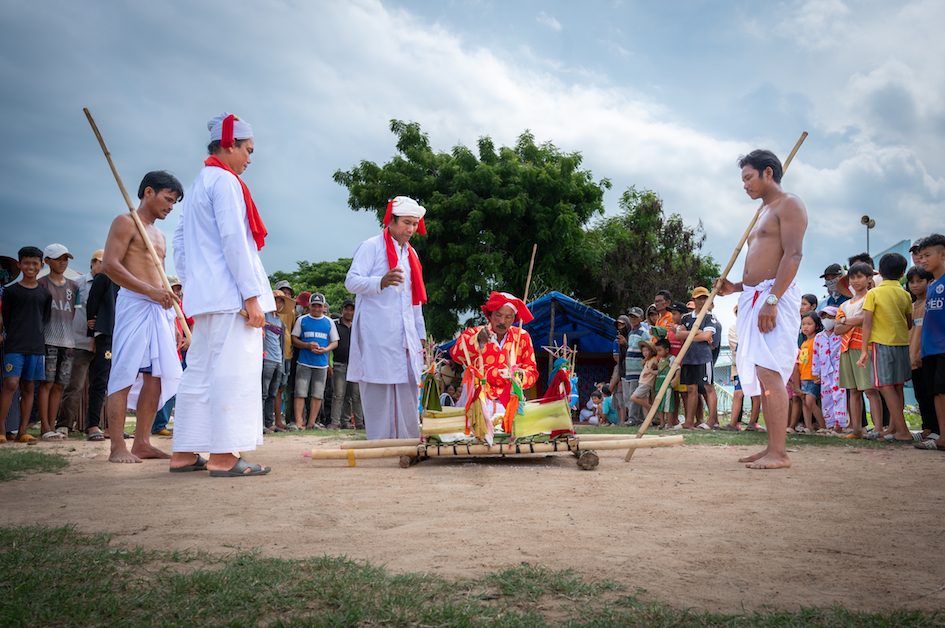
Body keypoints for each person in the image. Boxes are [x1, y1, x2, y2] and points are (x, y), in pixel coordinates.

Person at [171, 112, 276, 476]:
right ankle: (224, 456)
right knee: (234, 372)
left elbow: (180, 245)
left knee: (198, 373)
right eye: (247, 150)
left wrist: (195, 286)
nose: (250, 158)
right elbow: (236, 243)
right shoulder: (226, 182)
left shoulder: (200, 182)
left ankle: (184, 452)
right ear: (229, 145)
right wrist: (252, 297)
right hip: (230, 296)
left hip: (205, 296)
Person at [716, 149, 806, 469]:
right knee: (759, 372)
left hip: (774, 299)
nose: (745, 185)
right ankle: (771, 446)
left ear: (768, 173)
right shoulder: (762, 213)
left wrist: (773, 300)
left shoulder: (789, 203)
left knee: (771, 372)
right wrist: (735, 288)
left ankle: (779, 452)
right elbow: (761, 266)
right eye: (742, 180)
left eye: (748, 177)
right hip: (754, 297)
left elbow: (793, 256)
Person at [102, 171, 185, 463]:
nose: (171, 207)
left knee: (156, 378)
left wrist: (173, 319)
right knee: (124, 373)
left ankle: (142, 443)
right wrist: (149, 291)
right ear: (148, 192)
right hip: (135, 303)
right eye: (168, 199)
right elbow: (109, 266)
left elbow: (162, 280)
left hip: (159, 310)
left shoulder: (159, 234)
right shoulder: (125, 222)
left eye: (174, 202)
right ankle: (117, 446)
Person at [345, 196, 428, 440]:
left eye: (414, 224)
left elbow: (416, 301)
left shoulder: (411, 254)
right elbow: (351, 281)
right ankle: (380, 446)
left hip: (406, 337)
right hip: (377, 335)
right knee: (378, 390)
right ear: (391, 221)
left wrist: (420, 335)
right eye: (405, 222)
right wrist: (380, 282)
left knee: (408, 389)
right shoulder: (371, 246)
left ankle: (408, 443)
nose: (411, 229)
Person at [450, 292, 539, 428]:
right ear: (490, 314)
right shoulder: (474, 333)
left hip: (510, 401)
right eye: (498, 315)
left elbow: (532, 374)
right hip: (478, 401)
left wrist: (520, 375)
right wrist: (478, 339)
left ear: (514, 318)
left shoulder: (522, 337)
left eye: (508, 317)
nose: (502, 321)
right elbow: (455, 353)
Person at [857, 253, 914, 442]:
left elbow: (867, 323)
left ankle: (903, 431)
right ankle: (894, 428)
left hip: (882, 345)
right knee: (897, 387)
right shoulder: (906, 294)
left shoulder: (873, 293)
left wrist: (864, 350)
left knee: (885, 386)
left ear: (879, 272)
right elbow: (908, 324)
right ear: (903, 273)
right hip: (902, 344)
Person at [0, 246, 51, 443]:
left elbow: (44, 319)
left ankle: (23, 431)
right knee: (11, 384)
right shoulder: (11, 292)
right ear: (20, 264)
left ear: (41, 266)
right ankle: (2, 429)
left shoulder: (45, 294)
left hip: (36, 347)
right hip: (14, 346)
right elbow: (8, 317)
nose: (30, 266)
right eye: (26, 263)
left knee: (29, 386)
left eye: (34, 263)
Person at [55, 249, 102, 435]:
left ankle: (93, 426)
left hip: (102, 344)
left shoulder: (112, 285)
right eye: (101, 261)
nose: (105, 265)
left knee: (100, 387)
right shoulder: (77, 284)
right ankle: (64, 424)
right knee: (74, 385)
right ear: (92, 262)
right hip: (80, 342)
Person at [36, 244, 79, 440]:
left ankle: (52, 426)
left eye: (65, 259)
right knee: (46, 383)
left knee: (60, 385)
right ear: (47, 261)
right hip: (47, 339)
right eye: (58, 258)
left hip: (68, 341)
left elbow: (73, 313)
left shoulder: (73, 286)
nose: (63, 262)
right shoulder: (41, 284)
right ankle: (44, 427)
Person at [151, 275, 193, 436]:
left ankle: (168, 423)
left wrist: (189, 339)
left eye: (178, 288)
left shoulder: (182, 304)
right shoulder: (160, 303)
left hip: (179, 354)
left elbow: (191, 322)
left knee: (177, 389)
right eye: (173, 287)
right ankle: (158, 425)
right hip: (163, 352)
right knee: (161, 389)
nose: (176, 291)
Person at [915, 234, 945, 451]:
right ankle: (941, 437)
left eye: (927, 255)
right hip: (929, 350)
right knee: (935, 392)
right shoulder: (932, 286)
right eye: (921, 256)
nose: (922, 260)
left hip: (943, 348)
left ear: (942, 254)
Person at [291, 293, 338, 430]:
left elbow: (335, 342)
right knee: (300, 392)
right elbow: (294, 339)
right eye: (314, 306)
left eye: (319, 306)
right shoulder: (302, 320)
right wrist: (306, 345)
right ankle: (299, 422)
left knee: (317, 394)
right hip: (304, 362)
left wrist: (325, 350)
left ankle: (311, 423)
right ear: (309, 306)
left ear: (323, 306)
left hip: (321, 364)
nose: (316, 309)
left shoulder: (329, 322)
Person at [84, 266, 120, 440]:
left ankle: (112, 427)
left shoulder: (130, 278)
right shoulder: (104, 275)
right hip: (105, 334)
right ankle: (93, 425)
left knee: (119, 383)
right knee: (101, 381)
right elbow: (92, 302)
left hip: (123, 335)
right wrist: (92, 331)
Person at [676, 287, 718, 430]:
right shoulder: (685, 317)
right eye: (699, 298)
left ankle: (712, 421)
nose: (702, 301)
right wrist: (696, 333)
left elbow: (706, 337)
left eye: (705, 298)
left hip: (704, 357)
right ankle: (689, 422)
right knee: (691, 389)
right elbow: (678, 336)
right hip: (688, 357)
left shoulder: (709, 317)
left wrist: (689, 334)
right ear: (693, 299)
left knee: (708, 388)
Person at [906, 265, 938, 440]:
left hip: (925, 356)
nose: (915, 285)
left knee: (929, 393)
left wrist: (921, 354)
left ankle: (935, 429)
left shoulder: (930, 304)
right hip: (911, 357)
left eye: (920, 281)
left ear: (929, 281)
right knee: (919, 394)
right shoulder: (910, 307)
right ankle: (927, 428)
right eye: (912, 282)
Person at [328, 298, 363, 429]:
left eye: (352, 309)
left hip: (355, 365)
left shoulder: (358, 326)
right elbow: (328, 343)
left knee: (355, 395)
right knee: (338, 394)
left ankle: (357, 423)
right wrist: (329, 364)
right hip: (338, 364)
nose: (349, 312)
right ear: (341, 310)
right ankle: (334, 422)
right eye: (346, 309)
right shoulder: (335, 324)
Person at [812, 306, 846, 434]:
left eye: (830, 317)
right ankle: (830, 424)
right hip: (825, 371)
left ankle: (839, 424)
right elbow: (816, 355)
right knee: (826, 397)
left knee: (839, 396)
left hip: (838, 370)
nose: (827, 320)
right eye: (824, 317)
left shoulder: (840, 334)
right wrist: (816, 373)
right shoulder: (819, 337)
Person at [262, 290, 288, 434]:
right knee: (263, 393)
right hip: (266, 358)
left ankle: (269, 423)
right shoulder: (264, 315)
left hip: (278, 359)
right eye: (275, 300)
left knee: (273, 393)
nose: (277, 304)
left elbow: (281, 343)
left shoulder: (280, 321)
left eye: (280, 301)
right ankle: (260, 424)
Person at [794, 312, 824, 434]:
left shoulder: (817, 340)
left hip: (812, 377)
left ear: (817, 326)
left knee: (810, 402)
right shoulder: (804, 343)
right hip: (803, 377)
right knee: (805, 403)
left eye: (809, 324)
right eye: (803, 324)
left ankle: (823, 426)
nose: (805, 327)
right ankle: (809, 427)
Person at [273, 282, 296, 431]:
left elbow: (292, 332)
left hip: (287, 353)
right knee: (270, 389)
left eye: (288, 294)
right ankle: (270, 420)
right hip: (271, 353)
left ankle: (278, 420)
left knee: (281, 388)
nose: (285, 296)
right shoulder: (268, 312)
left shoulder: (291, 312)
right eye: (282, 293)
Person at [621, 307, 647, 425]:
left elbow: (648, 348)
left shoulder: (643, 332)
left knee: (634, 395)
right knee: (636, 395)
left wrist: (645, 360)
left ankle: (632, 418)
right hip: (630, 369)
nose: (633, 319)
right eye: (631, 316)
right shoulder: (631, 333)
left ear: (641, 318)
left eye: (636, 317)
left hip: (638, 369)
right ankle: (640, 419)